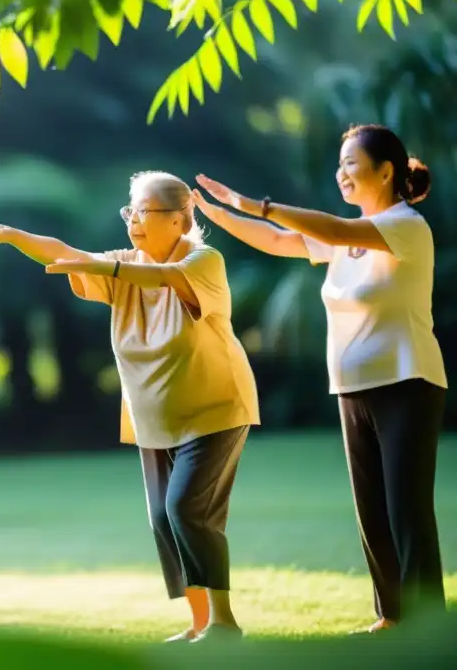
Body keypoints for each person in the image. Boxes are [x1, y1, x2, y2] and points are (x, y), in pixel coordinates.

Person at [0, 171, 260, 643]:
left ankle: (224, 621)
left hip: (214, 408)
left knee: (185, 509)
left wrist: (107, 268)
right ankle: (199, 623)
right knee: (163, 518)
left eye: (144, 211)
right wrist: (15, 238)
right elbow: (67, 254)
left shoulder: (204, 261)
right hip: (154, 415)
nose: (133, 220)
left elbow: (165, 278)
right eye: (130, 211)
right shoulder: (124, 263)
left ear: (180, 220)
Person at [192, 123, 448, 633]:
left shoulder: (405, 226)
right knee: (371, 509)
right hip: (351, 386)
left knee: (406, 508)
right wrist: (219, 212)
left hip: (407, 381)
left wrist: (255, 201)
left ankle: (429, 626)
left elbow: (330, 229)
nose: (342, 174)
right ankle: (392, 617)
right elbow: (276, 240)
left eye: (351, 163)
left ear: (386, 170)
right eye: (340, 165)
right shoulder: (348, 242)